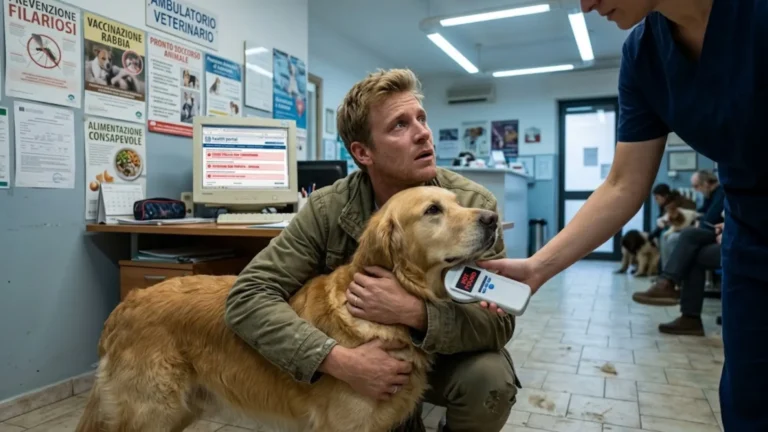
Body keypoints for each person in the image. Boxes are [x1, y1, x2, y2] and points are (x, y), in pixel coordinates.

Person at [479, 1, 768, 429]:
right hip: (749, 235)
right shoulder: (643, 55)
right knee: (750, 398)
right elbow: (622, 185)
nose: (586, 5)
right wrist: (538, 267)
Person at [225, 69, 519, 432]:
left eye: (421, 118)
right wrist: (338, 360)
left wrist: (417, 313)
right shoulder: (327, 208)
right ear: (363, 152)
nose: (423, 133)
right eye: (400, 125)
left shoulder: (474, 206)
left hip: (441, 352)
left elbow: (499, 322)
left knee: (490, 378)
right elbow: (248, 295)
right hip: (359, 356)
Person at [632, 223, 723, 335]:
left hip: (740, 239)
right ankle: (689, 317)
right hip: (723, 231)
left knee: (690, 238)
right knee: (690, 238)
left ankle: (668, 286)